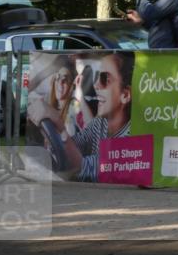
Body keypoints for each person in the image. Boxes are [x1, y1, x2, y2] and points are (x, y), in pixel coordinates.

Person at [27, 52, 133, 182]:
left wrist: (59, 127)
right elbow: (76, 145)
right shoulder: (100, 123)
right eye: (97, 78)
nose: (96, 85)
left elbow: (82, 168)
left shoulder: (132, 137)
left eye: (105, 79)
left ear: (125, 95)